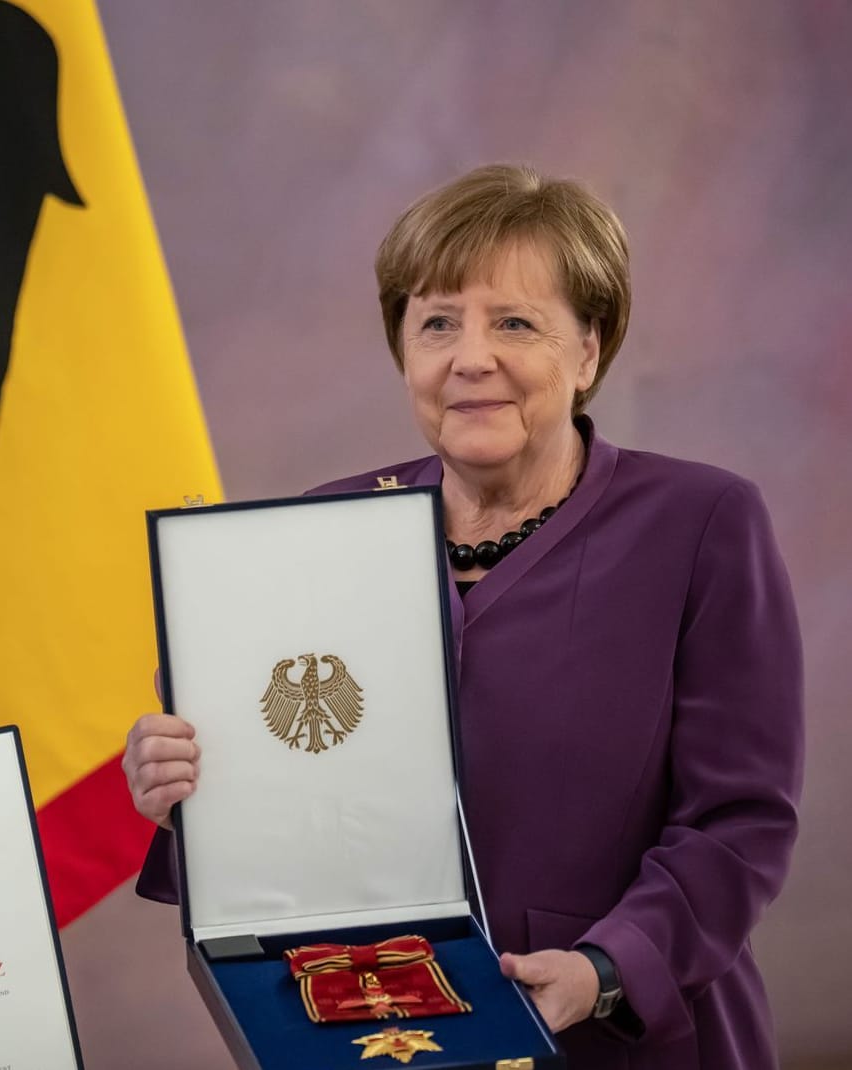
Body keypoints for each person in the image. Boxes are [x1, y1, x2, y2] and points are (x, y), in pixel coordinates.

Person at [122, 164, 802, 1069]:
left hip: (624, 1035)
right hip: (378, 1031)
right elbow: (282, 794)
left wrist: (604, 968)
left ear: (589, 349)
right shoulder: (312, 533)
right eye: (436, 322)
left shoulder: (701, 522)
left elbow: (740, 821)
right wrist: (190, 792)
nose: (469, 357)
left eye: (514, 322)